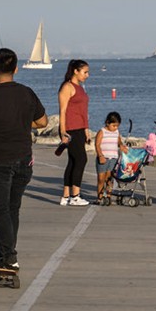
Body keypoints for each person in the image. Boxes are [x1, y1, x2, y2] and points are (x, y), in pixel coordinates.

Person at [0, 48, 47, 272]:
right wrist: (20, 123)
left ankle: (9, 258)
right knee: (13, 209)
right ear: (15, 69)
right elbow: (42, 122)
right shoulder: (27, 93)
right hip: (24, 160)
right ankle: (6, 257)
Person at [58, 59, 91, 206]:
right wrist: (63, 131)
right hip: (71, 128)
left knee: (72, 161)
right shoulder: (67, 87)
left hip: (80, 128)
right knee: (81, 159)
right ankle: (75, 195)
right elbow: (63, 111)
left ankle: (66, 196)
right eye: (85, 72)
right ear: (75, 71)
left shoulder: (80, 88)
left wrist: (86, 130)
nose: (87, 75)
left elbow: (83, 111)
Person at [94, 111, 128, 203]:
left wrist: (121, 146)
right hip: (103, 158)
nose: (115, 128)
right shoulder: (102, 131)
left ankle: (108, 196)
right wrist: (100, 155)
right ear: (107, 122)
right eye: (114, 125)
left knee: (109, 178)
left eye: (117, 126)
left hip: (113, 158)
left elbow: (119, 142)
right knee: (101, 179)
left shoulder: (116, 132)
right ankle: (99, 197)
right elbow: (97, 144)